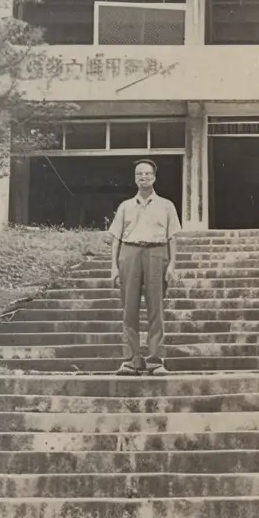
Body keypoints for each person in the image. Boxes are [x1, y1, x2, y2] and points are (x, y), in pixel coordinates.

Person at [103, 160, 181, 376]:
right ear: (135, 178)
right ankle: (130, 360)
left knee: (156, 308)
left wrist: (172, 265)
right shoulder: (125, 206)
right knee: (129, 309)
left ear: (154, 177)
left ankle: (155, 360)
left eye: (147, 174)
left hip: (157, 253)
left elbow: (172, 238)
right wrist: (114, 267)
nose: (143, 177)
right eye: (139, 174)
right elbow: (116, 239)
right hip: (130, 253)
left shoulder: (166, 205)